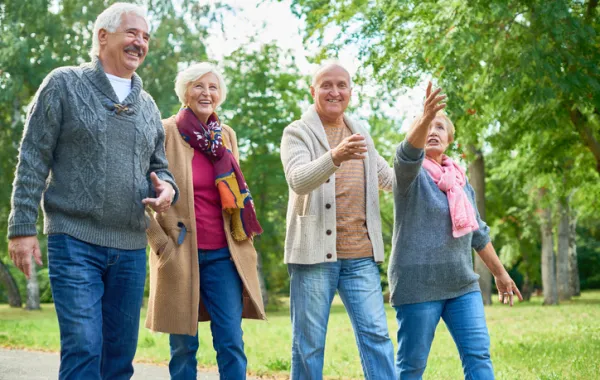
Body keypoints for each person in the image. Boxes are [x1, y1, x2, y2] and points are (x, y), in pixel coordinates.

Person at [7, 3, 178, 379]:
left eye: (146, 37)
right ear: (103, 36)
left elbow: (159, 167)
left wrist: (168, 188)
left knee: (118, 359)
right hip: (74, 239)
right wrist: (21, 227)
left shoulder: (148, 106)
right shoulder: (64, 83)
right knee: (84, 347)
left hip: (131, 246)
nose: (140, 43)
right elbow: (33, 157)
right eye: (132, 33)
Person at [389, 82, 523, 379]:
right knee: (412, 366)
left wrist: (501, 274)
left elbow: (478, 233)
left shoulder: (460, 184)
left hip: (462, 285)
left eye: (440, 127)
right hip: (418, 284)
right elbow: (406, 154)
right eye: (426, 126)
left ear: (450, 140)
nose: (433, 130)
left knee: (478, 353)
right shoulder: (408, 177)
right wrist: (425, 116)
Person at [145, 62, 266, 380]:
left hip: (223, 255)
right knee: (183, 346)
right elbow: (138, 190)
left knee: (230, 341)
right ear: (184, 91)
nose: (206, 93)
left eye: (213, 87)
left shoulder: (225, 135)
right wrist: (160, 242)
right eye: (198, 86)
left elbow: (235, 193)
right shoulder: (165, 130)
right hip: (180, 251)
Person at [280, 62, 396, 379]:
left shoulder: (361, 134)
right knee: (309, 345)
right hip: (314, 257)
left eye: (342, 85)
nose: (335, 92)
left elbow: (389, 179)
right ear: (313, 91)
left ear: (350, 92)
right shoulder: (296, 132)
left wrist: (433, 171)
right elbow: (298, 180)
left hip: (361, 256)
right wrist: (335, 156)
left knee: (377, 336)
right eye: (326, 85)